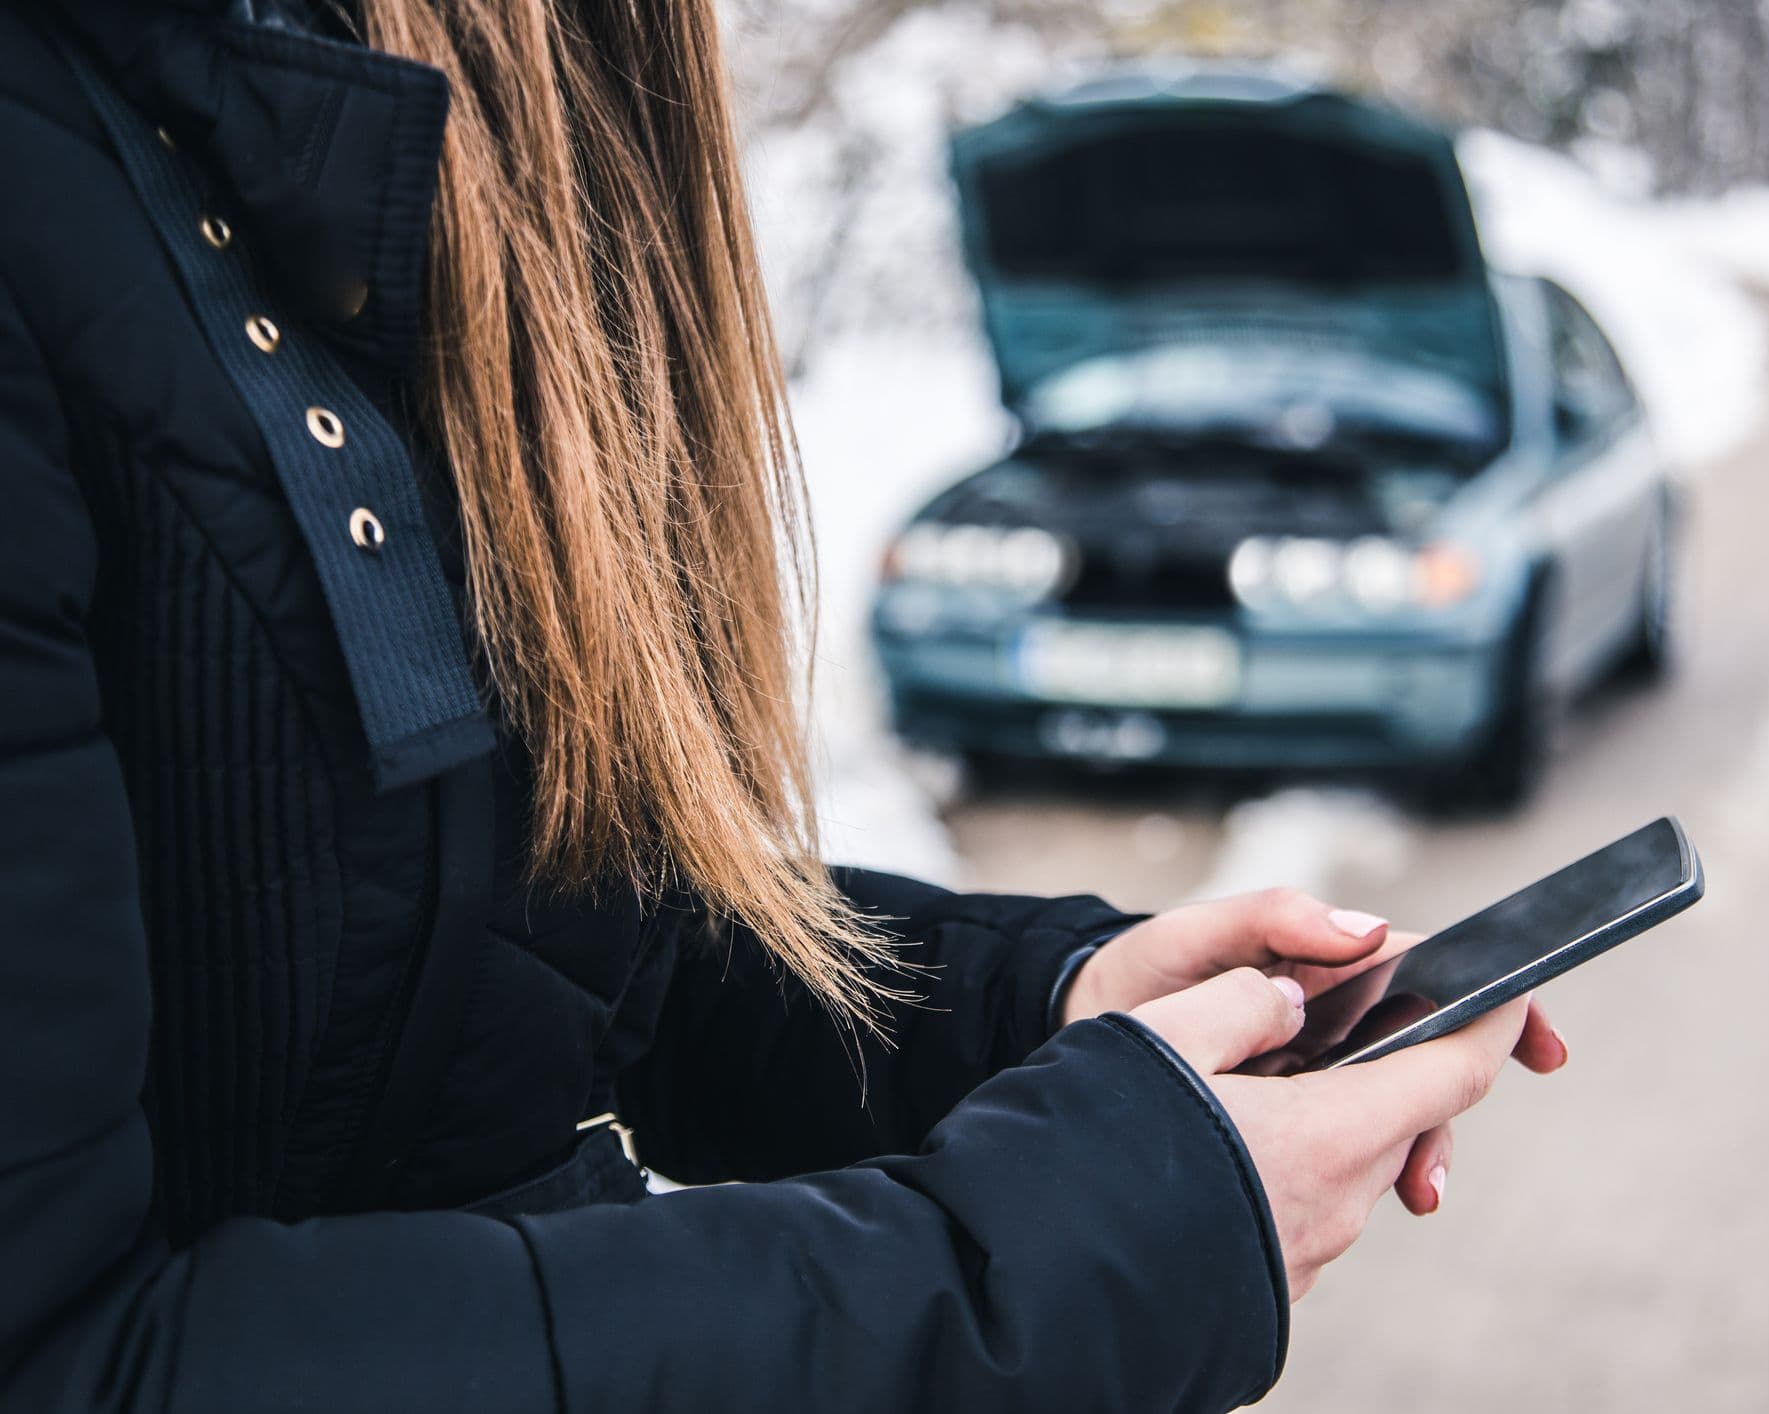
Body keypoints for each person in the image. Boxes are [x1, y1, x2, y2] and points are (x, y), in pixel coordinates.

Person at [0, 2, 1568, 1410]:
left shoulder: (344, 163)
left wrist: (1038, 1003)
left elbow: (550, 963)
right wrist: (1069, 1248)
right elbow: (65, 1357)